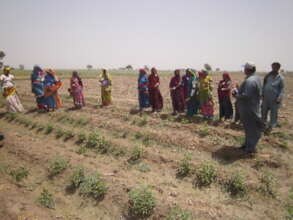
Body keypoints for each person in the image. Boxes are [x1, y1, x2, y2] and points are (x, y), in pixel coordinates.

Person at [235, 62, 263, 154]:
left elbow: (247, 95)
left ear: (247, 69)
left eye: (245, 68)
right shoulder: (256, 78)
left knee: (251, 128)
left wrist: (236, 95)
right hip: (252, 106)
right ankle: (247, 145)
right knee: (249, 128)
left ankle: (250, 148)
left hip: (248, 108)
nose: (244, 70)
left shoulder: (250, 81)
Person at [261, 62, 285, 128]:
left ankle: (272, 126)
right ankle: (263, 124)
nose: (273, 69)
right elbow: (264, 85)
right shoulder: (267, 76)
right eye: (272, 67)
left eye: (275, 67)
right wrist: (262, 94)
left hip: (275, 98)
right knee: (264, 111)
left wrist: (279, 97)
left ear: (278, 68)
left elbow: (282, 89)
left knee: (274, 112)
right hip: (266, 97)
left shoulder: (281, 78)